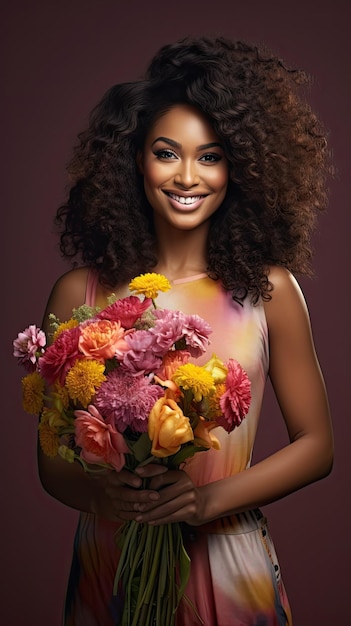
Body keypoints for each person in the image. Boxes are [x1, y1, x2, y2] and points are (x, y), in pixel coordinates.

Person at [39, 36, 334, 625]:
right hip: (111, 565)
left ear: (239, 168)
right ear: (136, 161)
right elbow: (50, 462)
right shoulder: (82, 294)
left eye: (211, 156)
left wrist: (205, 500)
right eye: (167, 152)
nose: (187, 176)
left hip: (228, 565)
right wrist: (106, 497)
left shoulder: (268, 292)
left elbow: (317, 447)